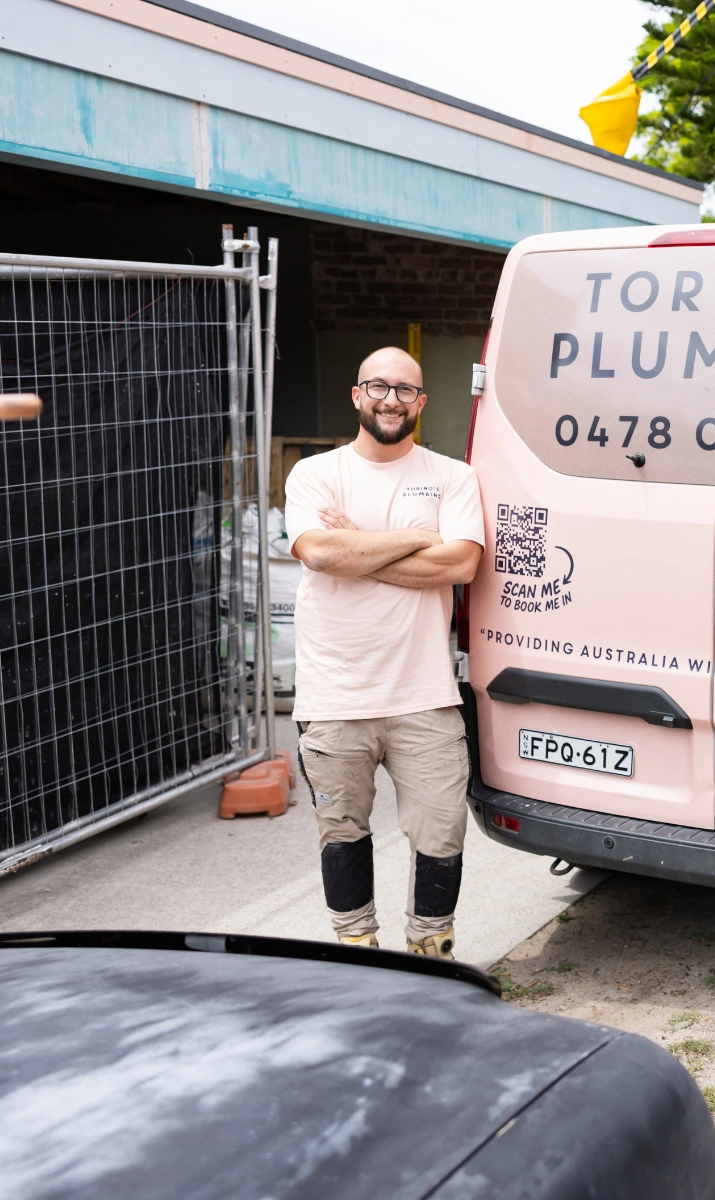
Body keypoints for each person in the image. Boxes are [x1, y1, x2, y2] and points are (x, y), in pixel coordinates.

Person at [286, 346, 485, 958]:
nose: (391, 399)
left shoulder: (454, 476)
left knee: (442, 832)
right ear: (357, 395)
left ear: (421, 403)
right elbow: (318, 553)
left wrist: (358, 545)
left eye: (405, 390)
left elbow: (462, 562)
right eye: (378, 386)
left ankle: (430, 951)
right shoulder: (315, 474)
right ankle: (358, 951)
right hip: (335, 693)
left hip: (423, 693)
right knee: (341, 832)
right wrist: (415, 542)